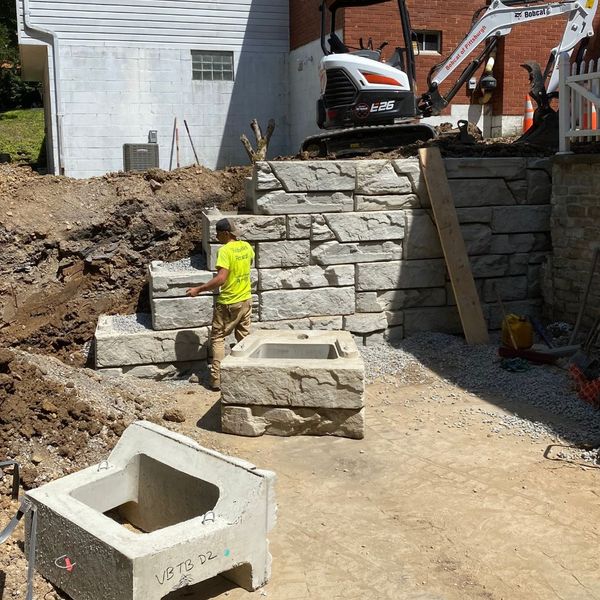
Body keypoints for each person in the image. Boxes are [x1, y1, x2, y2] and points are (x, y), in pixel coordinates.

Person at [187, 218, 254, 390]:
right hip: (245, 299)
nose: (216, 236)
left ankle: (216, 379)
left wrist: (198, 289)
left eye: (217, 233)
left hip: (229, 302)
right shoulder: (246, 247)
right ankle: (246, 374)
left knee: (218, 337)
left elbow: (221, 279)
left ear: (225, 233)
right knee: (244, 337)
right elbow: (248, 265)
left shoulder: (225, 251)